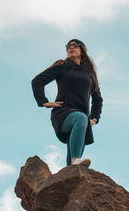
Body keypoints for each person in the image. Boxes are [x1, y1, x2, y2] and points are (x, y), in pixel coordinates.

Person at [31, 39, 103, 167]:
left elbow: (97, 98)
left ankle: (71, 169)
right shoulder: (62, 66)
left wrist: (95, 117)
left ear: (82, 50)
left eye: (75, 46)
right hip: (63, 113)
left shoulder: (89, 74)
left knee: (72, 169)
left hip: (82, 121)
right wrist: (43, 102)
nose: (71, 48)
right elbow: (37, 81)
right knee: (80, 118)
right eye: (68, 46)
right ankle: (76, 160)